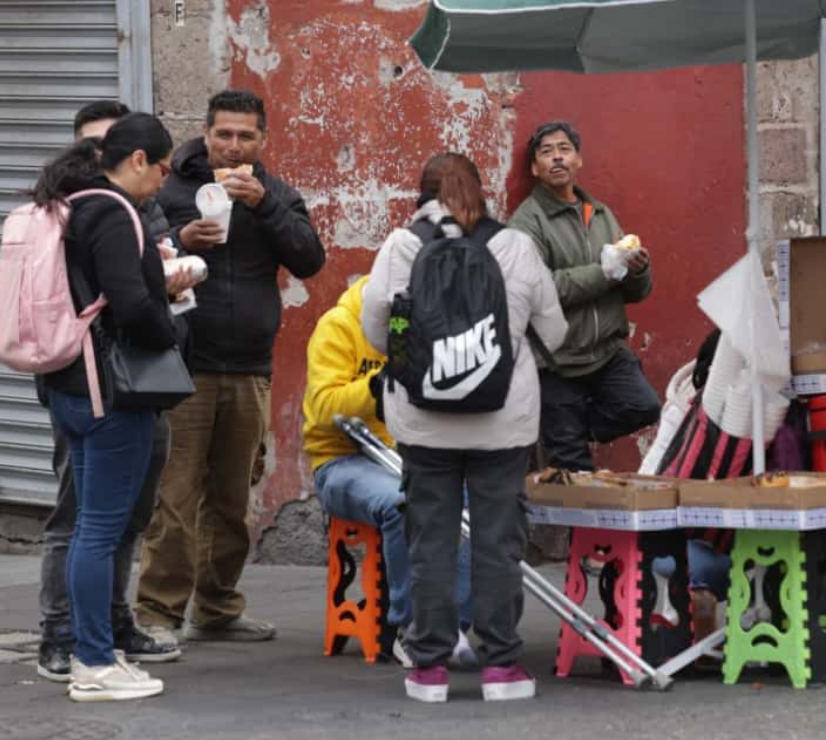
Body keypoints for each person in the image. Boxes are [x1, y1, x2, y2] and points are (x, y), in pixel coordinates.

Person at [362, 153, 567, 703]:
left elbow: (377, 333)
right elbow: (558, 332)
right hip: (503, 424)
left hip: (424, 424)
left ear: (419, 193)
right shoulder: (515, 246)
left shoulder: (401, 247)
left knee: (431, 541)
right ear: (482, 190)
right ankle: (501, 667)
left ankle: (428, 669)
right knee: (499, 543)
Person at [134, 90, 326, 643]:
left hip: (248, 367)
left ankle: (217, 607)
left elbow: (310, 259)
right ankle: (157, 614)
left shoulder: (276, 193)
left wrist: (264, 205)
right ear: (207, 133)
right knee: (175, 497)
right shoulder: (172, 189)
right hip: (184, 364)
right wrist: (178, 237)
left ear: (262, 140)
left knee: (233, 498)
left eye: (245, 136)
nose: (233, 145)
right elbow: (134, 255)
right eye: (224, 134)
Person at [35, 100, 186, 683]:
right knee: (98, 528)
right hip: (109, 392)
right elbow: (130, 306)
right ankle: (94, 661)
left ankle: (91, 650)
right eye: (164, 169)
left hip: (67, 384)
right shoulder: (114, 211)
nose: (164, 181)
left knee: (90, 526)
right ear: (140, 159)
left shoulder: (69, 205)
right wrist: (168, 323)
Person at [301, 275, 477, 667]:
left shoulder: (411, 328)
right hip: (342, 461)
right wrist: (376, 388)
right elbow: (324, 407)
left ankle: (453, 624)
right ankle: (412, 627)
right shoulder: (338, 326)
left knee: (469, 496)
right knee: (404, 502)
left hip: (406, 455)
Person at [508, 121, 660, 471]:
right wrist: (603, 272)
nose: (557, 157)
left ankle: (568, 431)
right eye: (546, 152)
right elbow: (538, 289)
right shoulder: (527, 223)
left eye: (564, 149)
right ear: (535, 168)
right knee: (573, 471)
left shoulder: (601, 215)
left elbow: (636, 293)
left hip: (606, 353)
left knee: (644, 405)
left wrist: (637, 270)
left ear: (578, 160)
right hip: (557, 363)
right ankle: (564, 439)